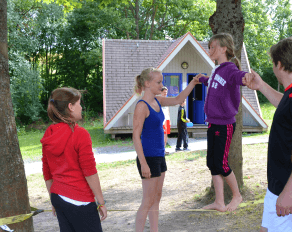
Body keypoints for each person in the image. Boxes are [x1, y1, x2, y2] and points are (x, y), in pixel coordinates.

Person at [133, 67, 199, 232]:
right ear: (147, 83)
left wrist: (193, 83)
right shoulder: (142, 106)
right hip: (147, 158)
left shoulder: (158, 101)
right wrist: (143, 163)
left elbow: (178, 99)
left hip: (159, 156)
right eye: (159, 82)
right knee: (147, 201)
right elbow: (135, 136)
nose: (162, 85)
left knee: (157, 198)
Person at [195, 33, 253, 212]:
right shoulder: (217, 70)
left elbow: (238, 77)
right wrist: (202, 79)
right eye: (209, 47)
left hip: (224, 124)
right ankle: (219, 202)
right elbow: (214, 83)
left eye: (213, 47)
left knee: (221, 163)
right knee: (212, 163)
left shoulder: (229, 70)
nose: (210, 50)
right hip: (212, 123)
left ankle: (237, 195)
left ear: (223, 49)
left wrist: (247, 77)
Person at [41, 87, 107, 232]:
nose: (81, 107)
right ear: (70, 107)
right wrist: (101, 202)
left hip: (59, 197)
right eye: (79, 103)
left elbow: (47, 173)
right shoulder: (80, 134)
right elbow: (89, 171)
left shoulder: (49, 133)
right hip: (80, 200)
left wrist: (53, 199)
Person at [243, 38, 292, 232]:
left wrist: (288, 192)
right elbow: (285, 106)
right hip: (278, 184)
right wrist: (262, 86)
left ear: (279, 64)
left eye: (273, 64)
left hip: (285, 188)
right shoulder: (289, 95)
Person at [161, 86, 171, 155]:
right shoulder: (159, 100)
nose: (165, 93)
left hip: (167, 120)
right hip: (162, 121)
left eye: (166, 92)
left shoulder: (167, 100)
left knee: (165, 135)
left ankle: (164, 149)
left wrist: (169, 119)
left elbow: (167, 110)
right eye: (164, 92)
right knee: (161, 135)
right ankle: (161, 150)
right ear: (161, 92)